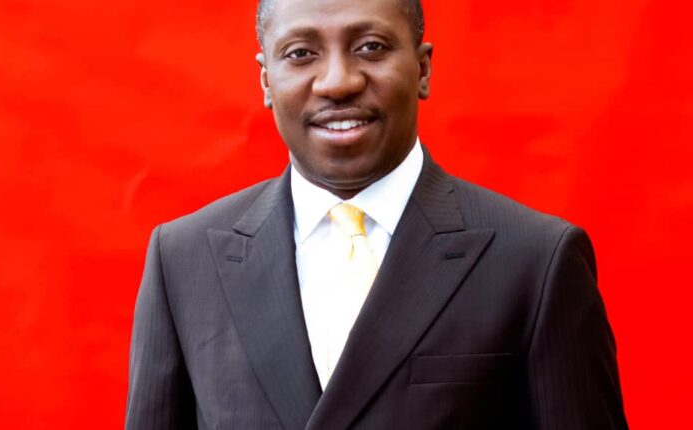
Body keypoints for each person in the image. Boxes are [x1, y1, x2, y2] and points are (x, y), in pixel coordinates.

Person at [125, 0, 628, 428]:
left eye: (371, 47)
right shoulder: (184, 262)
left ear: (423, 68)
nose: (338, 82)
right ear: (266, 79)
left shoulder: (535, 262)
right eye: (301, 54)